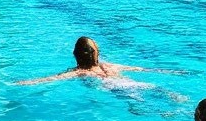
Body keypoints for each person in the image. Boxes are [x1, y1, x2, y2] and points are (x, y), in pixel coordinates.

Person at [16, 37, 166, 86]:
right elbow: (141, 69)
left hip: (117, 89)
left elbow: (53, 78)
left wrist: (25, 82)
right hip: (135, 84)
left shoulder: (81, 72)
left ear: (76, 55)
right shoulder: (110, 65)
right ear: (97, 53)